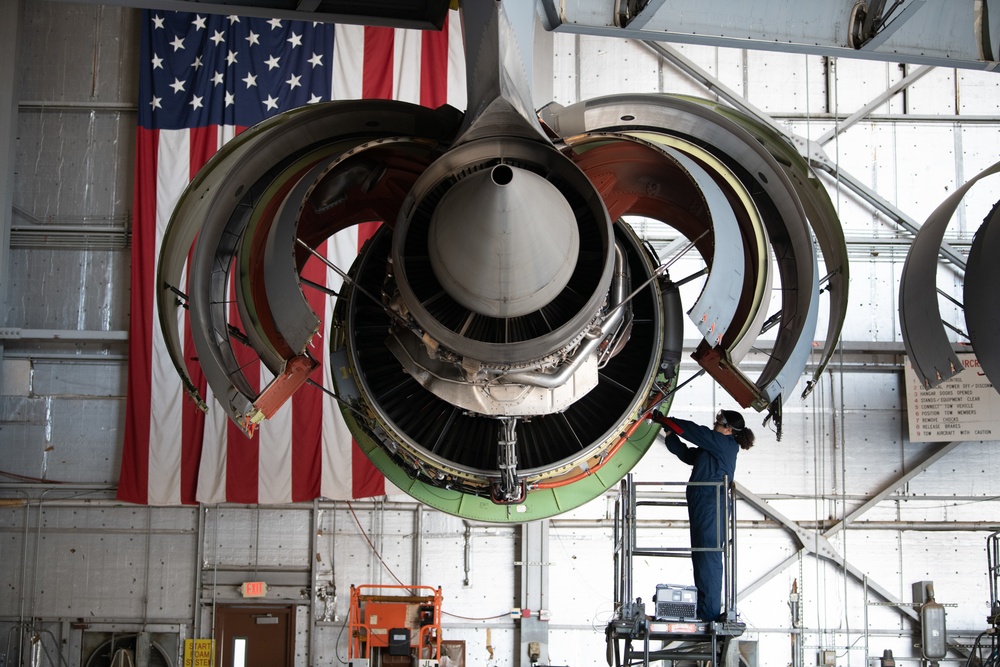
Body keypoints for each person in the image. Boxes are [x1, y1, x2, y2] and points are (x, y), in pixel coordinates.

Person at [652, 408, 755, 622]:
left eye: (718, 422)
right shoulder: (714, 448)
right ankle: (703, 610)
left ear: (728, 429)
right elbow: (689, 455)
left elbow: (694, 432)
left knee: (708, 556)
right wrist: (669, 431)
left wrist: (667, 420)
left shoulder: (724, 444)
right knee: (700, 556)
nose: (714, 425)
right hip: (703, 504)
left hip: (711, 504)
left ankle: (708, 614)